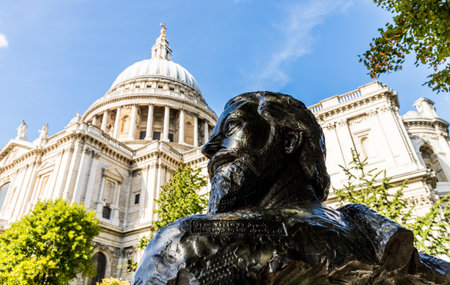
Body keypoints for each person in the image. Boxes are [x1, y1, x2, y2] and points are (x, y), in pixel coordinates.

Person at [133, 92, 449, 284]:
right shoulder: (377, 237)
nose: (208, 148)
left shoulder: (189, 240)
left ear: (288, 140)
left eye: (230, 127)